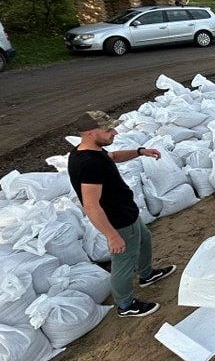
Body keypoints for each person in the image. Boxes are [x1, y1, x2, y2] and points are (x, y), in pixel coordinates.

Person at [67, 111, 176, 318]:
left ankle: (146, 274)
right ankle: (125, 305)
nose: (114, 132)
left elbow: (114, 157)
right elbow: (90, 206)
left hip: (127, 213)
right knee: (123, 262)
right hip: (118, 222)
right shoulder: (88, 164)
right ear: (89, 133)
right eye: (108, 129)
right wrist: (112, 235)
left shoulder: (93, 151)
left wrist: (140, 151)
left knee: (144, 240)